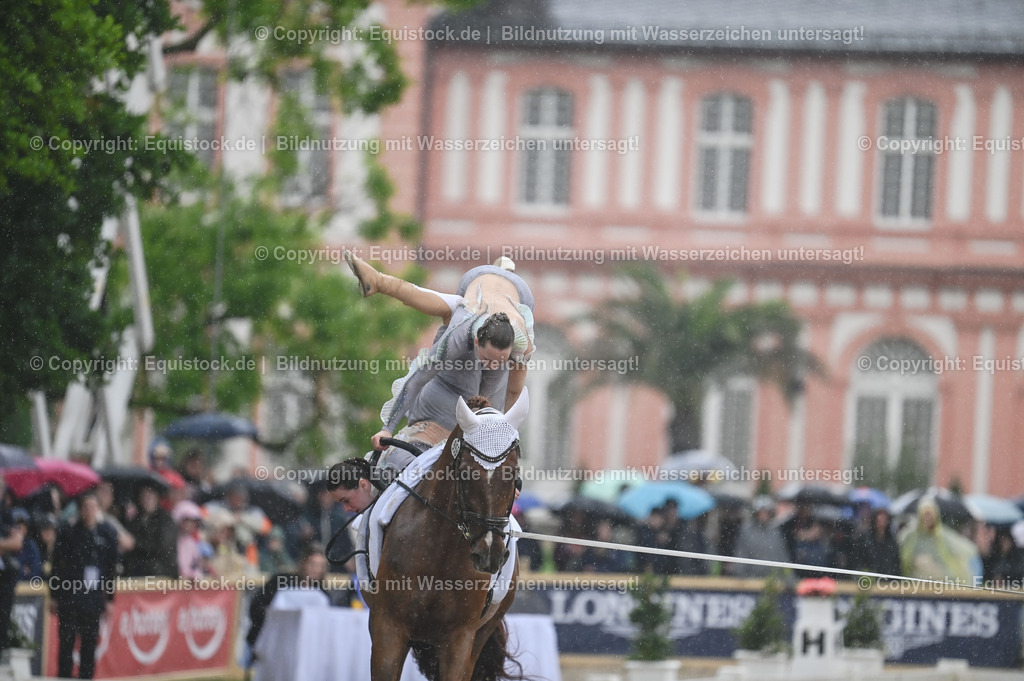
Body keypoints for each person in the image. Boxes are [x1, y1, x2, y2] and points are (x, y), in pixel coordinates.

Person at [345, 253, 535, 475]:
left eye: (499, 360)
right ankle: (378, 280)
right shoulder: (460, 332)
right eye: (487, 359)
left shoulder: (522, 345)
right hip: (476, 285)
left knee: (489, 399)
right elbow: (418, 378)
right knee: (451, 309)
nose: (492, 365)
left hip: (519, 294)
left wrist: (505, 443)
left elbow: (514, 393)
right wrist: (387, 428)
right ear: (476, 341)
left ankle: (379, 280)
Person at [50, 493, 119, 679]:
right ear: (80, 510)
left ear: (98, 509)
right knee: (66, 646)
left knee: (89, 648)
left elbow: (111, 569)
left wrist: (110, 598)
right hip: (70, 597)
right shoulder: (69, 532)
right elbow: (57, 566)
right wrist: (54, 595)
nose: (89, 511)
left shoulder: (107, 533)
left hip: (93, 600)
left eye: (93, 507)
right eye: (85, 507)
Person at [245, 543, 330, 654]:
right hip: (270, 643)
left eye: (320, 566)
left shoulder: (322, 593)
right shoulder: (281, 582)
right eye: (312, 564)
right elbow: (256, 608)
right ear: (303, 563)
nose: (316, 569)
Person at [899, 497, 978, 582]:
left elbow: (965, 549)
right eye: (925, 515)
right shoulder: (912, 537)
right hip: (917, 585)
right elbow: (904, 556)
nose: (928, 519)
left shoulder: (942, 536)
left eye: (930, 515)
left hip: (940, 584)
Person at [124, 483, 178, 578]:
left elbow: (162, 546)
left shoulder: (166, 520)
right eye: (143, 496)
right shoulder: (137, 519)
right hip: (140, 571)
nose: (146, 500)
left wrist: (136, 544)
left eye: (150, 496)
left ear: (156, 498)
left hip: (162, 572)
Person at [732, 496, 790, 578]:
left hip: (772, 578)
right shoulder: (747, 531)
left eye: (766, 513)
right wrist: (741, 575)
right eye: (761, 513)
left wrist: (788, 577)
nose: (763, 516)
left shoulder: (775, 531)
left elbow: (782, 555)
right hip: (751, 578)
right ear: (756, 513)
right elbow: (742, 553)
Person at [0, 477, 26, 657]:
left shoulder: (6, 515)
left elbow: (18, 542)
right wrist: (6, 543)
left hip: (5, 577)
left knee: (3, 623)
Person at [851, 507, 901, 578]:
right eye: (880, 520)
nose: (882, 523)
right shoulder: (864, 539)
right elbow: (858, 560)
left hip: (887, 580)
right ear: (874, 520)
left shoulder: (892, 541)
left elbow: (895, 563)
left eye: (885, 520)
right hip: (868, 580)